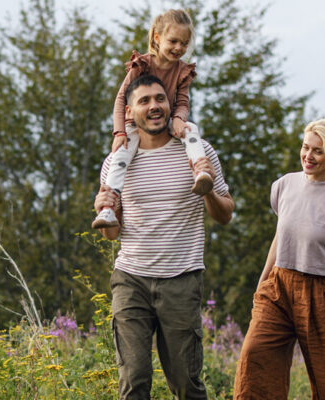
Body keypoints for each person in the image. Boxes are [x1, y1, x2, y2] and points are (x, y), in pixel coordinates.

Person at [94, 74, 235, 400]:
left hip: (181, 279)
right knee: (133, 380)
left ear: (170, 104)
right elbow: (112, 234)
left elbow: (225, 214)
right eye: (144, 101)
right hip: (131, 279)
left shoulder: (197, 151)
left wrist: (207, 190)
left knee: (185, 383)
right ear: (130, 112)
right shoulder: (116, 161)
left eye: (160, 98)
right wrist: (104, 209)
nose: (154, 106)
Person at [233, 119, 325, 400]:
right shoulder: (285, 185)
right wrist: (262, 283)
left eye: (318, 151)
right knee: (255, 355)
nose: (308, 156)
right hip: (279, 287)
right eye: (306, 147)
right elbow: (280, 238)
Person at [93, 9, 210, 229]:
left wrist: (179, 118)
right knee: (121, 155)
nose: (179, 48)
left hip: (167, 119)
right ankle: (109, 206)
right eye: (173, 41)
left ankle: (201, 171)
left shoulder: (182, 71)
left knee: (190, 129)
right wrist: (119, 132)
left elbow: (182, 101)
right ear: (157, 37)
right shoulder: (143, 65)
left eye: (184, 43)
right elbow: (121, 99)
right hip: (135, 124)